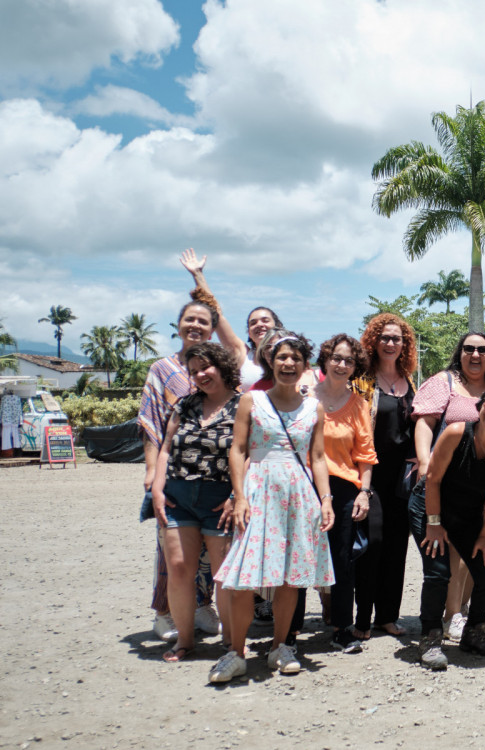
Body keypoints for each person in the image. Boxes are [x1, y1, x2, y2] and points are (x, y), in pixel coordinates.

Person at [211, 333, 335, 683]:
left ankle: (280, 646)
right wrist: (240, 496)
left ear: (305, 364)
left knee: (289, 577)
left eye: (296, 357)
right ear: (271, 362)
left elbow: (318, 457)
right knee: (241, 579)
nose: (288, 363)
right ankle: (235, 652)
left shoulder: (315, 408)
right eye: (282, 357)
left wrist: (325, 500)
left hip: (298, 495)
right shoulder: (252, 401)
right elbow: (237, 449)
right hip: (258, 491)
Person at [411, 384, 485, 670]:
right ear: (480, 405)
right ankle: (431, 637)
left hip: (467, 513)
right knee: (438, 572)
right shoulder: (456, 432)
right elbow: (433, 480)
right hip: (429, 506)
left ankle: (474, 631)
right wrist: (435, 525)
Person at [138, 299, 222, 642]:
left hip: (214, 476)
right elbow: (151, 423)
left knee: (212, 547)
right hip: (174, 476)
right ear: (179, 325)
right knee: (171, 549)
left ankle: (203, 604)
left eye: (203, 321)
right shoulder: (163, 370)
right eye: (190, 320)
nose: (196, 326)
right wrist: (150, 470)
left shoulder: (219, 368)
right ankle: (164, 611)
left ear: (212, 329)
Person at [150, 342, 239, 663]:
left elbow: (250, 456)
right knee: (178, 568)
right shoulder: (185, 405)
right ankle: (184, 641)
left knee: (224, 575)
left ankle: (231, 642)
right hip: (178, 497)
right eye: (194, 370)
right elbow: (165, 448)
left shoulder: (244, 406)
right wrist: (158, 489)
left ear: (223, 366)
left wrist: (236, 496)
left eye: (206, 367)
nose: (201, 374)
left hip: (221, 500)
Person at [412, 331, 485, 641]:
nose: (475, 355)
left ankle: (459, 611)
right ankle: (451, 615)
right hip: (442, 482)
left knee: (471, 551)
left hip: (476, 487)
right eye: (468, 349)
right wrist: (425, 462)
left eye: (482, 350)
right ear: (459, 352)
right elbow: (425, 423)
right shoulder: (444, 383)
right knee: (451, 554)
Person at [351, 314, 419, 641]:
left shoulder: (410, 380)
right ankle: (362, 619)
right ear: (374, 342)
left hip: (402, 478)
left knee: (396, 548)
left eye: (397, 339)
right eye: (385, 338)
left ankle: (387, 617)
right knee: (372, 545)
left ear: (404, 345)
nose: (391, 344)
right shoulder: (362, 382)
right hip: (369, 475)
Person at [311, 334, 377, 654]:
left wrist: (364, 493)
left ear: (355, 367)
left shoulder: (359, 405)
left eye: (349, 360)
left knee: (343, 561)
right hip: (305, 487)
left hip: (345, 489)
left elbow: (366, 454)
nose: (341, 364)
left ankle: (341, 627)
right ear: (325, 359)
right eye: (336, 358)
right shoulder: (305, 398)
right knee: (299, 556)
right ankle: (289, 630)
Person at [179, 248, 285, 387]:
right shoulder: (243, 355)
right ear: (248, 332)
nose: (259, 324)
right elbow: (217, 315)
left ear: (277, 326)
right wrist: (198, 275)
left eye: (265, 320)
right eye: (253, 323)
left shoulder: (292, 353)